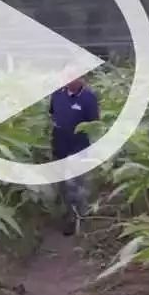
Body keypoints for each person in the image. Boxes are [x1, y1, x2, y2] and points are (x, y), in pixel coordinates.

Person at [48, 74, 99, 235]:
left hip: (78, 149)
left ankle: (81, 219)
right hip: (60, 147)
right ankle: (71, 217)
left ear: (81, 78)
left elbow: (94, 124)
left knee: (77, 186)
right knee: (64, 187)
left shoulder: (88, 98)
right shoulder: (57, 95)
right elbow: (52, 114)